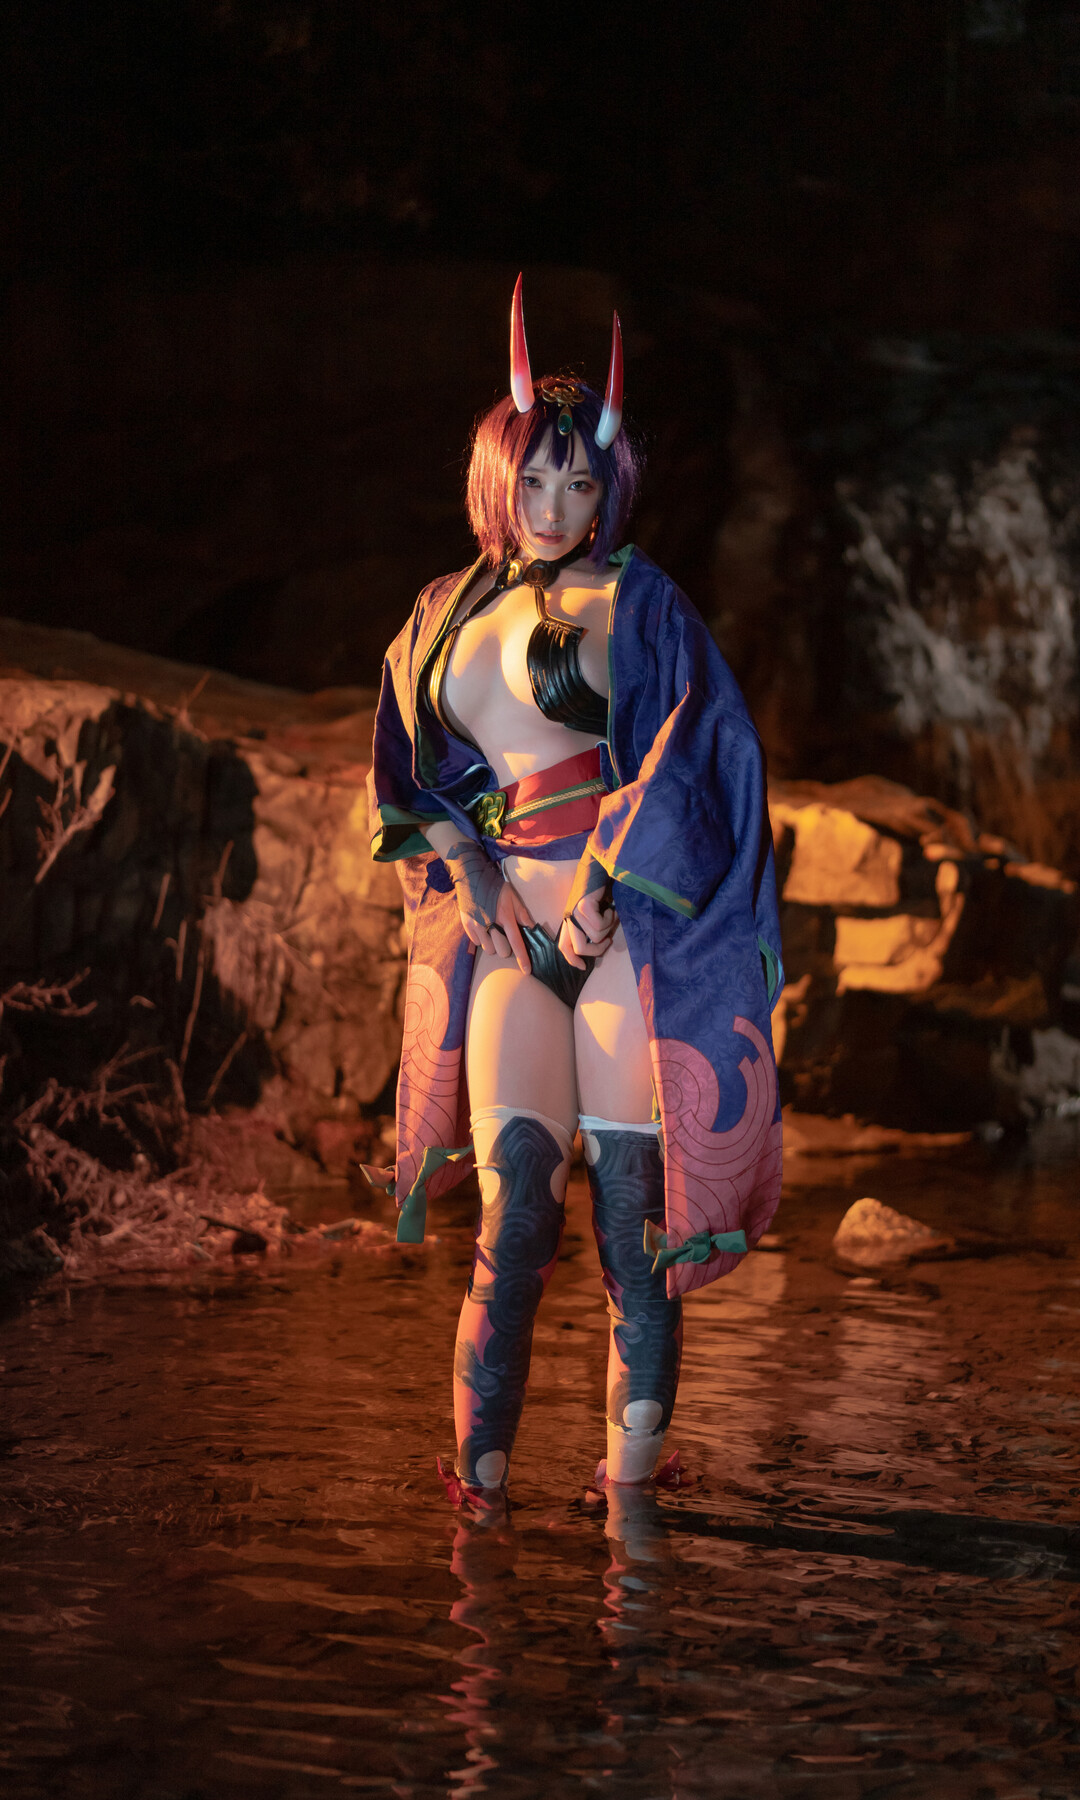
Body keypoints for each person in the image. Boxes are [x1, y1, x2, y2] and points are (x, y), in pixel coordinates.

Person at [365, 276, 783, 1508]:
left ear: (610, 492)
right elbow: (405, 771)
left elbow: (697, 751)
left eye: (581, 485)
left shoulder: (641, 603)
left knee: (632, 1231)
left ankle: (629, 1504)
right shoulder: (438, 617)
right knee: (512, 1231)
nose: (555, 508)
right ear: (499, 479)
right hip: (509, 942)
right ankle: (478, 1496)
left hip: (622, 936)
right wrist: (470, 868)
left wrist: (603, 881)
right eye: (537, 482)